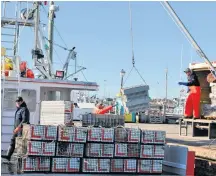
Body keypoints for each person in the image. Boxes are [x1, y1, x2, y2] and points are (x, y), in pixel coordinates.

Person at [1, 97, 30, 161]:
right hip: (16, 130)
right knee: (12, 142)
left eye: (19, 101)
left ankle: (21, 160)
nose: (18, 103)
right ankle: (8, 156)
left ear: (22, 101)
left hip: (22, 130)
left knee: (21, 145)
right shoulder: (19, 109)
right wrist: (15, 129)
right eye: (17, 102)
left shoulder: (24, 109)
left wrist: (18, 128)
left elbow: (25, 120)